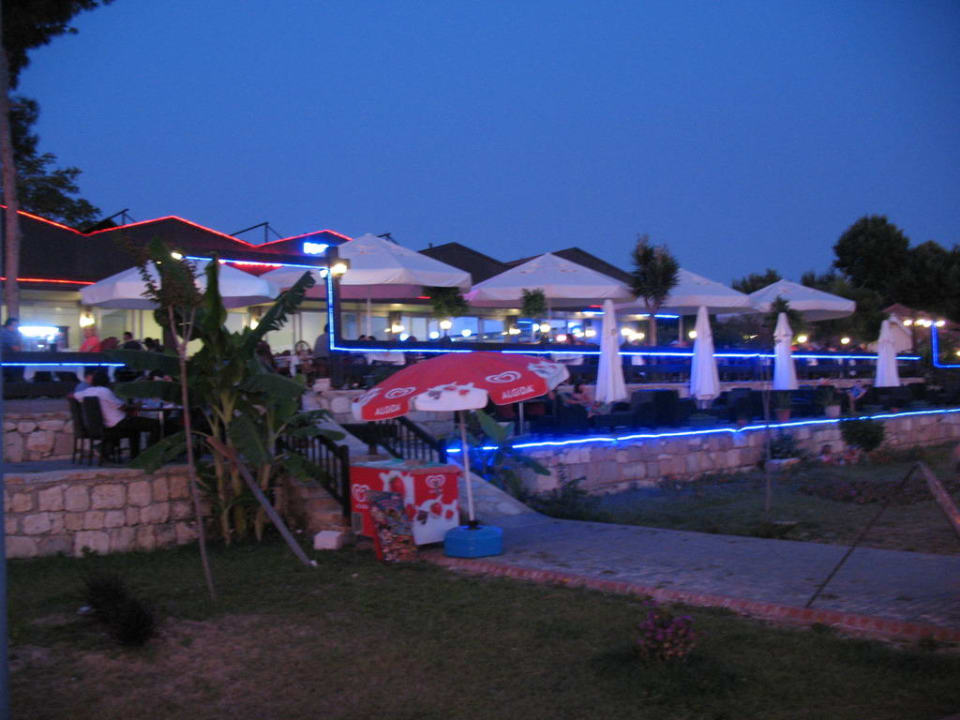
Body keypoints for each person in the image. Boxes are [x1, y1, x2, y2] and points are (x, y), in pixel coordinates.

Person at [73, 371, 161, 458]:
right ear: (106, 381)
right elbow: (122, 407)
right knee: (156, 425)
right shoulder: (104, 391)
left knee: (135, 429)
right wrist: (136, 406)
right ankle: (151, 454)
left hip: (104, 424)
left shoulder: (87, 392)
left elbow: (73, 396)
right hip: (118, 422)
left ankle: (135, 456)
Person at [1, 317, 23, 382]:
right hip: (6, 358)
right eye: (16, 326)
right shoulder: (5, 333)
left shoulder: (12, 333)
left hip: (8, 358)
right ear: (9, 325)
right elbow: (16, 348)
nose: (17, 328)